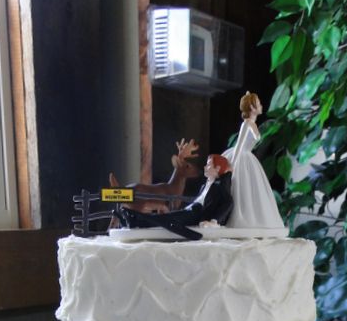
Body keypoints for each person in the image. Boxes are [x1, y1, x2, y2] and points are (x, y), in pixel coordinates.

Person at [116, 154, 233, 240]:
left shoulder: (219, 187)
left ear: (217, 169)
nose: (205, 167)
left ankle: (133, 218)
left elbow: (228, 203)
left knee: (166, 219)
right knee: (165, 218)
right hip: (191, 209)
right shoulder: (204, 185)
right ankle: (132, 220)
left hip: (196, 214)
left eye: (208, 165)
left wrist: (214, 221)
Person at [222, 91, 285, 230]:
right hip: (241, 157)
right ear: (252, 108)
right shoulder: (246, 124)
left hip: (249, 157)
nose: (261, 106)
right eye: (259, 104)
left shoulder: (253, 124)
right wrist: (233, 165)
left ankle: (253, 219)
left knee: (252, 190)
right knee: (241, 189)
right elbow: (239, 145)